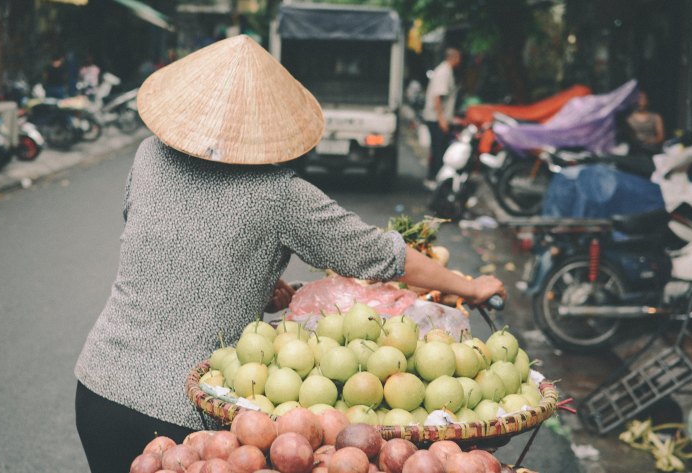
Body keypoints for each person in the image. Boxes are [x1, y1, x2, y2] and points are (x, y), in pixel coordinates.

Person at [73, 35, 505, 473]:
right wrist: (470, 287)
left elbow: (160, 251)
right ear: (267, 126)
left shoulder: (148, 157)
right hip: (184, 414)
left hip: (98, 387)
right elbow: (379, 255)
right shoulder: (279, 194)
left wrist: (252, 285)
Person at [422, 47, 462, 190]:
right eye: (459, 58)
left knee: (438, 149)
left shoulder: (445, 70)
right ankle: (434, 179)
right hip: (435, 118)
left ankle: (434, 178)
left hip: (438, 117)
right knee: (439, 150)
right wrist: (442, 119)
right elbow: (437, 97)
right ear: (454, 58)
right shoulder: (444, 71)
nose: (460, 61)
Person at [626, 90, 665, 155]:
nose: (639, 101)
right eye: (637, 98)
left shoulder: (656, 117)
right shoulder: (629, 118)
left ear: (647, 100)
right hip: (634, 150)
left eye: (642, 98)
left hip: (651, 149)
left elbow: (661, 136)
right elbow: (627, 136)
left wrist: (650, 141)